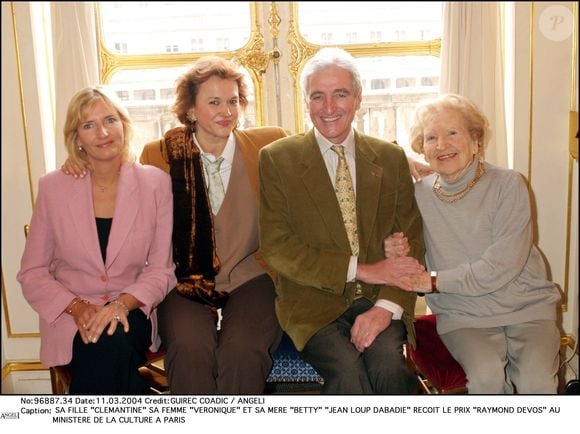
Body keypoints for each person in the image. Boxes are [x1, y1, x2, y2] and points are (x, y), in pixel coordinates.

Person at [258, 47, 425, 394]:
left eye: (340, 94)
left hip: (380, 296)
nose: (329, 108)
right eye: (317, 97)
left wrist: (386, 307)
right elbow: (278, 247)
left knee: (389, 367)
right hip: (312, 302)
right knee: (347, 372)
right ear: (306, 102)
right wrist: (361, 269)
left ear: (358, 98)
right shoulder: (277, 159)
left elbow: (412, 239)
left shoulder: (389, 157)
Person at [386, 93, 562, 394]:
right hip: (463, 313)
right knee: (485, 379)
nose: (441, 145)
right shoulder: (418, 196)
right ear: (422, 148)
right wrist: (396, 249)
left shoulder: (508, 184)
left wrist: (434, 280)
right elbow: (353, 151)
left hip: (526, 306)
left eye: (452, 133)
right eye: (431, 137)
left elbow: (501, 266)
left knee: (538, 383)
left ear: (475, 140)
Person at [17, 86, 176, 394]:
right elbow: (32, 272)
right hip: (70, 318)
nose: (103, 132)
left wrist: (119, 304)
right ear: (77, 139)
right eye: (88, 125)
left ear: (124, 125)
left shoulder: (155, 184)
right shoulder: (54, 188)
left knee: (107, 342)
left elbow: (161, 270)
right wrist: (76, 307)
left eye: (110, 120)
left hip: (131, 310)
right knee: (106, 348)